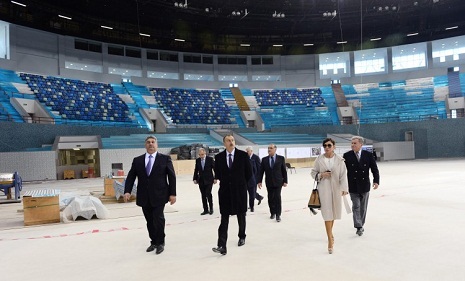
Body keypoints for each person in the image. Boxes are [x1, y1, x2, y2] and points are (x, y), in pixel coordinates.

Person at [124, 136, 176, 255]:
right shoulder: (137, 160)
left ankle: (160, 242)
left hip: (160, 195)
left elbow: (172, 177)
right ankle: (153, 242)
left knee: (158, 219)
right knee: (149, 220)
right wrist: (127, 191)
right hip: (144, 196)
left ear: (157, 144)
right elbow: (131, 176)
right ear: (145, 145)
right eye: (148, 142)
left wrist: (173, 194)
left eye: (153, 142)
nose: (151, 144)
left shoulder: (165, 159)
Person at [212, 134, 252, 255]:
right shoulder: (218, 157)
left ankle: (242, 236)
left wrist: (240, 184)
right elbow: (218, 174)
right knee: (224, 219)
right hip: (225, 192)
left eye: (233, 140)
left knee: (241, 215)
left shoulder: (243, 156)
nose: (231, 142)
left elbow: (249, 173)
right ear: (224, 143)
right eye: (228, 140)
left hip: (239, 191)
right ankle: (221, 245)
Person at [310, 138, 349, 254]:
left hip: (336, 189)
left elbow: (343, 175)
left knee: (333, 213)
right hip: (324, 189)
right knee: (327, 213)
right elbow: (313, 173)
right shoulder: (319, 159)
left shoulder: (340, 160)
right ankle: (330, 239)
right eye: (325, 146)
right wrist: (321, 174)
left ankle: (330, 235)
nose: (327, 147)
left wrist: (344, 189)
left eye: (329, 145)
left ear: (334, 146)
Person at [343, 136, 380, 237]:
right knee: (356, 206)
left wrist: (376, 181)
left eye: (355, 143)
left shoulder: (368, 155)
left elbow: (374, 168)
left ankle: (361, 223)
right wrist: (342, 185)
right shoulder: (347, 155)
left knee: (363, 208)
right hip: (353, 186)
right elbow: (342, 171)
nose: (352, 145)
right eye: (352, 143)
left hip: (365, 185)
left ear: (361, 144)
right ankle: (359, 226)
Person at [258, 143, 288, 222]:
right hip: (269, 182)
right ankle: (272, 212)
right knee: (270, 197)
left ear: (275, 149)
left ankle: (278, 214)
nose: (269, 149)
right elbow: (261, 171)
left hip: (278, 181)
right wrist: (259, 181)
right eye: (268, 148)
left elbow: (283, 170)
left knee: (277, 197)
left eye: (271, 148)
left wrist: (285, 181)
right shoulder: (264, 159)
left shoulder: (281, 158)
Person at [193, 148, 216, 215]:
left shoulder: (210, 159)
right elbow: (196, 170)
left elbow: (215, 168)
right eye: (200, 155)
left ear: (205, 153)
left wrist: (215, 178)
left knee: (208, 193)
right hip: (201, 180)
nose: (201, 156)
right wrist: (195, 178)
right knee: (203, 195)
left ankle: (211, 208)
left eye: (202, 154)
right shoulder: (198, 160)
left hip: (209, 180)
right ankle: (205, 209)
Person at [245, 146, 264, 212]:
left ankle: (251, 206)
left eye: (248, 151)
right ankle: (259, 197)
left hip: (254, 179)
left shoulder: (256, 157)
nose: (247, 152)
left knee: (252, 193)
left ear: (251, 151)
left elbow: (259, 169)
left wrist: (258, 179)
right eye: (246, 151)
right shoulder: (246, 158)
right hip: (247, 179)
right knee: (251, 192)